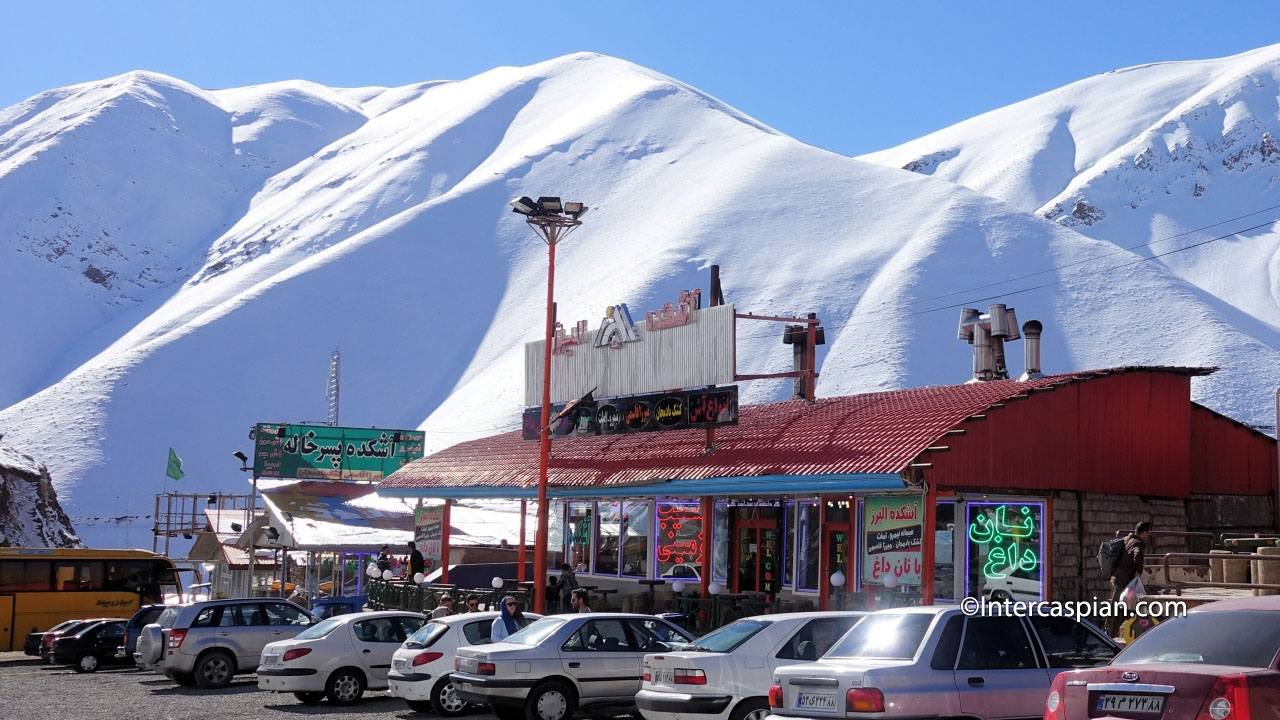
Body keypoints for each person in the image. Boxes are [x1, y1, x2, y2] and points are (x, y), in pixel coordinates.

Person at [1106, 521, 1151, 637]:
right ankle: (1110, 635)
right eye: (1147, 533)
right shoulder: (1138, 543)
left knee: (1119, 606)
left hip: (1117, 578)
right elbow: (1137, 555)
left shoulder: (1127, 539)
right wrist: (1139, 571)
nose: (1147, 536)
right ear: (1144, 533)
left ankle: (1112, 632)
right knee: (1118, 608)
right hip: (1124, 580)